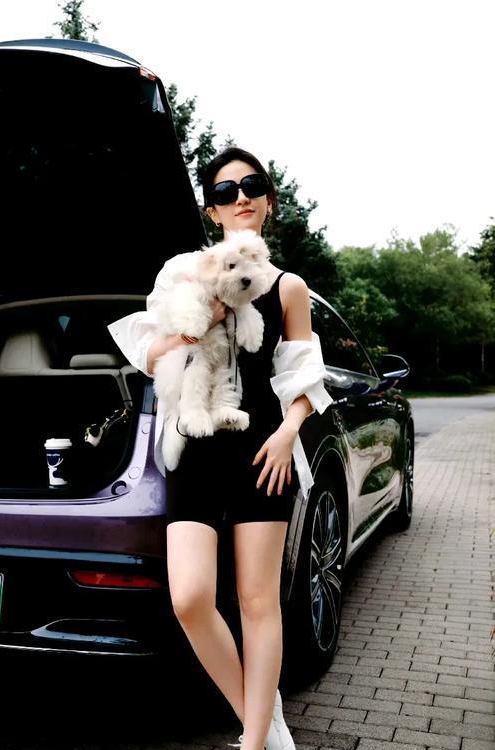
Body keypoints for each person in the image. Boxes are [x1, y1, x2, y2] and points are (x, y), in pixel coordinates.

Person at [107, 146, 333, 750]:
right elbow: (148, 353)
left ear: (268, 201)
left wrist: (288, 432)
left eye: (252, 186)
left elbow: (304, 377)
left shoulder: (289, 287)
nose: (241, 198)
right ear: (212, 210)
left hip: (264, 451)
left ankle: (254, 741)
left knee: (259, 601)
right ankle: (260, 709)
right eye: (226, 191)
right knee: (190, 598)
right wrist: (195, 323)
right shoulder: (183, 271)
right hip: (197, 445)